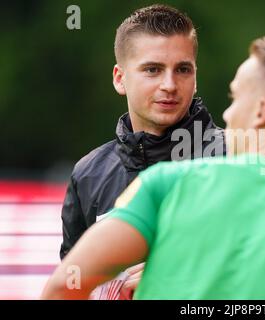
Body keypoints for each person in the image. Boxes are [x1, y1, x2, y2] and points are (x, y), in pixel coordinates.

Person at [43, 34, 265, 300]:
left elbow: (64, 286)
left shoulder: (166, 187)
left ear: (261, 111)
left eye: (236, 98)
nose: (226, 114)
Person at [59, 4, 225, 299]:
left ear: (195, 76)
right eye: (153, 70)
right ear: (120, 78)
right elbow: (72, 288)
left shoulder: (238, 160)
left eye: (183, 69)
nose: (170, 85)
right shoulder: (88, 174)